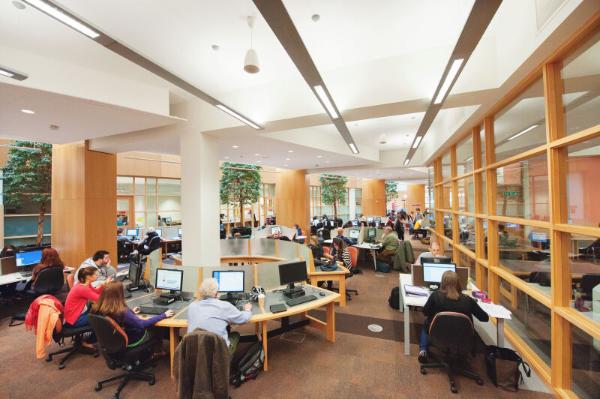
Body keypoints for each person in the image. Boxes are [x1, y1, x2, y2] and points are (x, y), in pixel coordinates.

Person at [418, 271, 489, 363]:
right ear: (458, 283)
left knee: (426, 322)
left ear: (442, 282)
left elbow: (425, 312)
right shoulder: (468, 300)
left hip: (438, 335)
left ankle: (423, 350)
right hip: (462, 338)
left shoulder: (435, 296)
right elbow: (484, 318)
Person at [93, 281, 174, 352]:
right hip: (134, 339)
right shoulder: (123, 312)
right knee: (156, 327)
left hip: (114, 340)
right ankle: (157, 351)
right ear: (119, 294)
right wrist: (163, 315)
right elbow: (142, 324)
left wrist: (131, 312)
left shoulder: (101, 307)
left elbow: (121, 319)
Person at [187, 278, 252, 354]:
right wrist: (247, 310)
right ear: (216, 293)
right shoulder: (224, 306)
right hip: (218, 356)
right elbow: (243, 319)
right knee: (235, 335)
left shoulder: (192, 306)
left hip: (194, 353)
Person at [64, 266, 112, 347]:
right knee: (102, 319)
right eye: (95, 275)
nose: (97, 276)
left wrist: (103, 285)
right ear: (89, 277)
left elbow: (96, 292)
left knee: (99, 312)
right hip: (75, 320)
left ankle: (90, 339)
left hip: (74, 315)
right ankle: (89, 342)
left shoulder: (84, 284)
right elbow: (99, 299)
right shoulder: (83, 289)